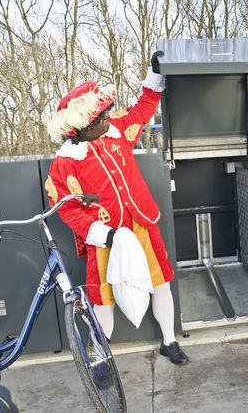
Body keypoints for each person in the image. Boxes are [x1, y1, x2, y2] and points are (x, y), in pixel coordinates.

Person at [43, 52, 189, 365]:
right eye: (102, 117)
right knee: (103, 300)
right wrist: (99, 233)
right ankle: (100, 358)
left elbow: (144, 108)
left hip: (141, 223)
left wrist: (154, 72)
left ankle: (169, 340)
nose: (109, 118)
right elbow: (66, 208)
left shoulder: (116, 131)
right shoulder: (64, 162)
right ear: (82, 126)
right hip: (105, 238)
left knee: (160, 281)